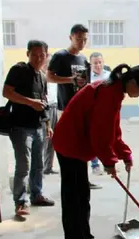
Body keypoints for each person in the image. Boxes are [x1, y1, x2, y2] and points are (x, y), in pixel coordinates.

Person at [52, 63, 139, 239]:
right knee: (79, 197)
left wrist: (124, 153)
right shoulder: (109, 94)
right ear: (132, 82)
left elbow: (112, 129)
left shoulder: (113, 90)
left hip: (69, 141)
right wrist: (109, 162)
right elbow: (100, 133)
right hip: (71, 142)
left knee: (72, 195)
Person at [3, 40, 55, 216]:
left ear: (46, 56)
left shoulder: (41, 76)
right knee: (23, 166)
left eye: (42, 55)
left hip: (38, 127)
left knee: (38, 165)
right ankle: (20, 202)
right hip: (20, 127)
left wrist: (47, 124)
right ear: (27, 54)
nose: (38, 58)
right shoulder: (18, 70)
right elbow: (7, 92)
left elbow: (43, 102)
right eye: (34, 54)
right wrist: (30, 102)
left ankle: (36, 194)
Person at [47, 24, 101, 190]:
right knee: (69, 145)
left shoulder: (83, 59)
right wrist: (70, 80)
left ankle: (83, 178)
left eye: (85, 39)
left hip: (82, 108)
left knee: (82, 143)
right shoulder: (60, 56)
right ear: (70, 37)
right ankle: (71, 181)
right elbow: (49, 77)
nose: (82, 42)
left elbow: (86, 85)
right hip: (65, 108)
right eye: (79, 39)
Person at [89, 52, 111, 175]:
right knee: (94, 140)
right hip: (93, 113)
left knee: (107, 140)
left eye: (100, 62)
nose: (98, 65)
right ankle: (95, 165)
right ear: (90, 64)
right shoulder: (87, 78)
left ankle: (108, 164)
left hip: (107, 113)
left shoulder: (109, 76)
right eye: (95, 63)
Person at [41, 53, 59, 175]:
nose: (48, 66)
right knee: (45, 138)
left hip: (55, 107)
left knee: (53, 138)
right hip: (45, 108)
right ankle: (40, 167)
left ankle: (48, 167)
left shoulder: (54, 77)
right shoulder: (40, 77)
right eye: (46, 63)